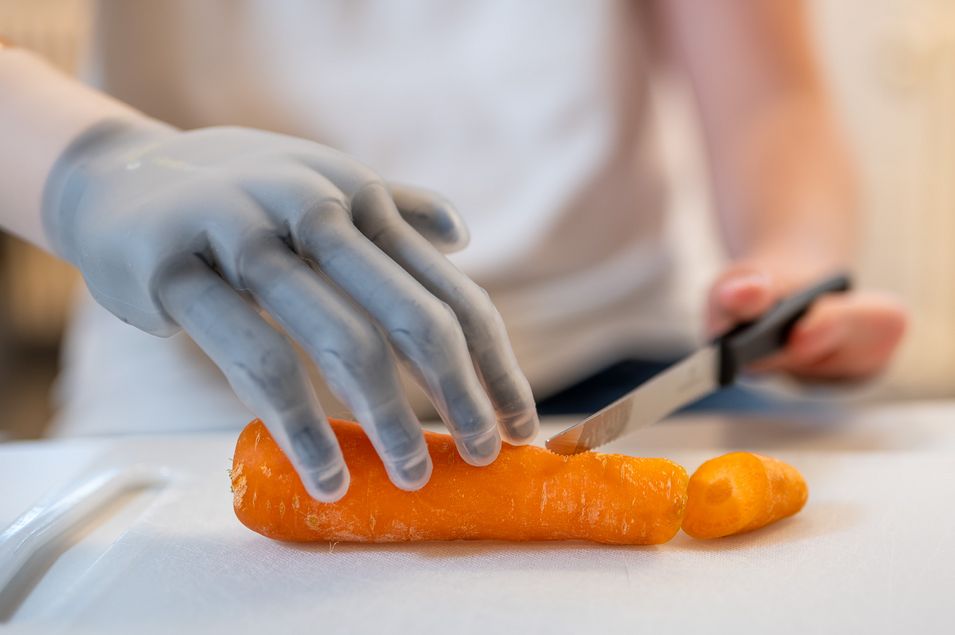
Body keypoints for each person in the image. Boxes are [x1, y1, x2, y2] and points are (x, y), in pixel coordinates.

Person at [0, 1, 906, 501]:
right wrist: (85, 166)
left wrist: (789, 264)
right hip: (206, 384)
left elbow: (771, 99)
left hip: (613, 361)